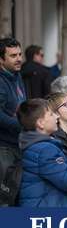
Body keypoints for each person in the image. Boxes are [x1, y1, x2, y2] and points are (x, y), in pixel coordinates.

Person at [17, 99, 67, 207]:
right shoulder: (45, 150)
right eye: (51, 114)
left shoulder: (35, 145)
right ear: (40, 123)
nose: (57, 117)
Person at [0, 37, 25, 206]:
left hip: (19, 144)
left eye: (20, 54)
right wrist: (22, 124)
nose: (19, 59)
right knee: (5, 197)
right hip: (4, 148)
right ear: (1, 59)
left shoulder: (17, 75)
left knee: (16, 196)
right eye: (13, 55)